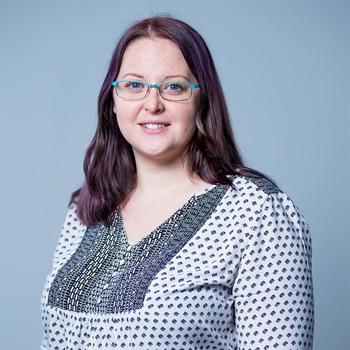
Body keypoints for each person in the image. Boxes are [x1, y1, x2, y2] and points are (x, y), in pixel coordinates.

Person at [40, 15, 314, 350]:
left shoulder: (257, 212)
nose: (152, 104)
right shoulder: (88, 207)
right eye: (134, 85)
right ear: (112, 101)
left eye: (174, 87)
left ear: (202, 99)